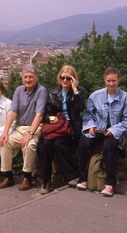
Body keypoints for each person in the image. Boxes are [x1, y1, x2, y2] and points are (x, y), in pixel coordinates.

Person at [76, 67, 127, 197]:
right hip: (98, 129)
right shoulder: (95, 96)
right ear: (104, 80)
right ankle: (83, 178)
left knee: (109, 147)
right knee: (83, 144)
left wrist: (113, 130)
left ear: (119, 80)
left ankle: (110, 183)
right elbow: (88, 115)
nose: (111, 84)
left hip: (114, 132)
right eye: (108, 81)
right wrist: (90, 127)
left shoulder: (125, 98)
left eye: (114, 81)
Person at [0, 64, 48, 191]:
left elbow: (39, 115)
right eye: (25, 77)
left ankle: (27, 177)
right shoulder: (19, 90)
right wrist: (5, 133)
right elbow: (12, 113)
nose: (28, 80)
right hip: (20, 128)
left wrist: (30, 134)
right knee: (4, 142)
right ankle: (8, 176)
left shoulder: (41, 91)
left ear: (36, 78)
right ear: (22, 78)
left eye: (30, 77)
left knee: (29, 145)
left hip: (35, 128)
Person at [38, 65, 86, 194]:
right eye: (62, 77)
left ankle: (72, 175)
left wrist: (74, 88)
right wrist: (50, 119)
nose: (65, 80)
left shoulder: (79, 92)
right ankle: (46, 180)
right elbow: (45, 114)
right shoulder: (53, 93)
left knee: (59, 144)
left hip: (71, 127)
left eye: (68, 78)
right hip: (57, 126)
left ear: (73, 79)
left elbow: (80, 107)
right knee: (46, 144)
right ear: (59, 78)